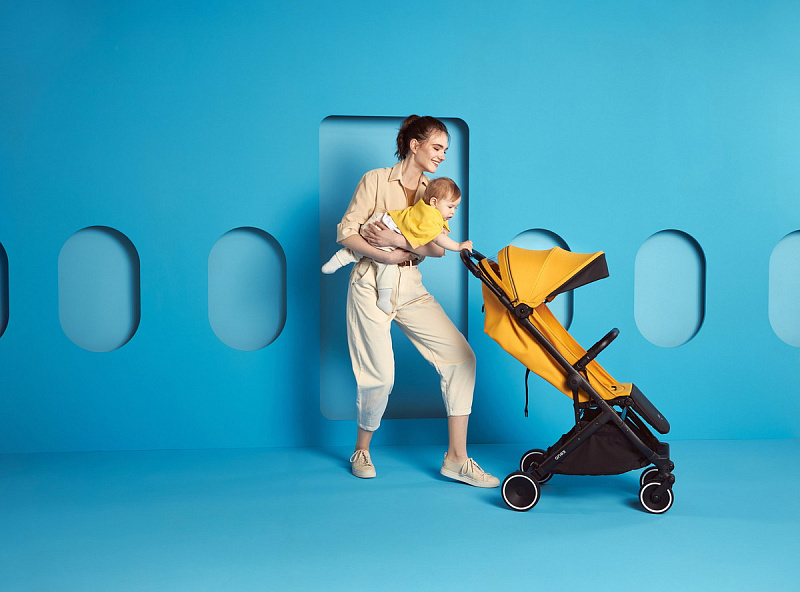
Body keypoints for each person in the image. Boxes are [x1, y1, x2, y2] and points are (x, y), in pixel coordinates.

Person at [330, 114, 499, 488]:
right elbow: (346, 233)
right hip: (370, 283)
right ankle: (361, 450)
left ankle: (457, 459)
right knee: (380, 377)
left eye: (445, 150)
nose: (442, 155)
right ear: (414, 145)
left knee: (462, 358)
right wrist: (386, 254)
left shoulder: (434, 190)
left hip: (411, 284)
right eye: (437, 147)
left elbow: (436, 248)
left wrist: (397, 242)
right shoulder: (375, 180)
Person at [321, 176, 473, 314]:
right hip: (384, 227)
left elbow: (437, 243)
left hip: (381, 220)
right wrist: (458, 246)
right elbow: (438, 240)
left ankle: (337, 260)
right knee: (387, 265)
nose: (453, 212)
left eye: (455, 208)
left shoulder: (428, 208)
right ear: (434, 202)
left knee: (359, 252)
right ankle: (384, 298)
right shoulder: (430, 216)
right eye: (450, 207)